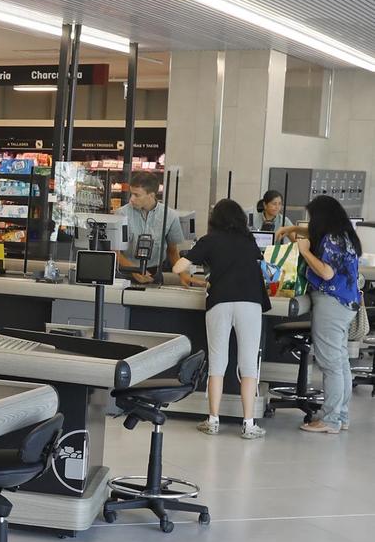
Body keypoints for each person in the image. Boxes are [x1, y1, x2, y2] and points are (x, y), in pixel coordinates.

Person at [172, 199, 269, 438]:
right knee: (248, 365)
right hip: (250, 302)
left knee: (218, 363)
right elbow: (260, 266)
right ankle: (248, 424)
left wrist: (201, 275)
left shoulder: (209, 241)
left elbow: (177, 268)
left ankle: (213, 420)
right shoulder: (249, 241)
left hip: (220, 302)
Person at [293, 195, 362, 433]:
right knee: (340, 362)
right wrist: (292, 228)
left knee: (330, 363)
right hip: (346, 303)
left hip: (331, 304)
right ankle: (340, 414)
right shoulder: (343, 235)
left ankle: (330, 420)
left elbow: (326, 273)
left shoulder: (331, 240)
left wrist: (304, 252)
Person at [118, 179, 184, 280]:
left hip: (154, 274)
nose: (131, 199)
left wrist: (183, 275)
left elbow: (172, 251)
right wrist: (133, 269)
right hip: (125, 272)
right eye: (131, 194)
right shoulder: (122, 214)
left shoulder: (170, 216)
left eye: (137, 195)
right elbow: (114, 250)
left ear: (151, 195)